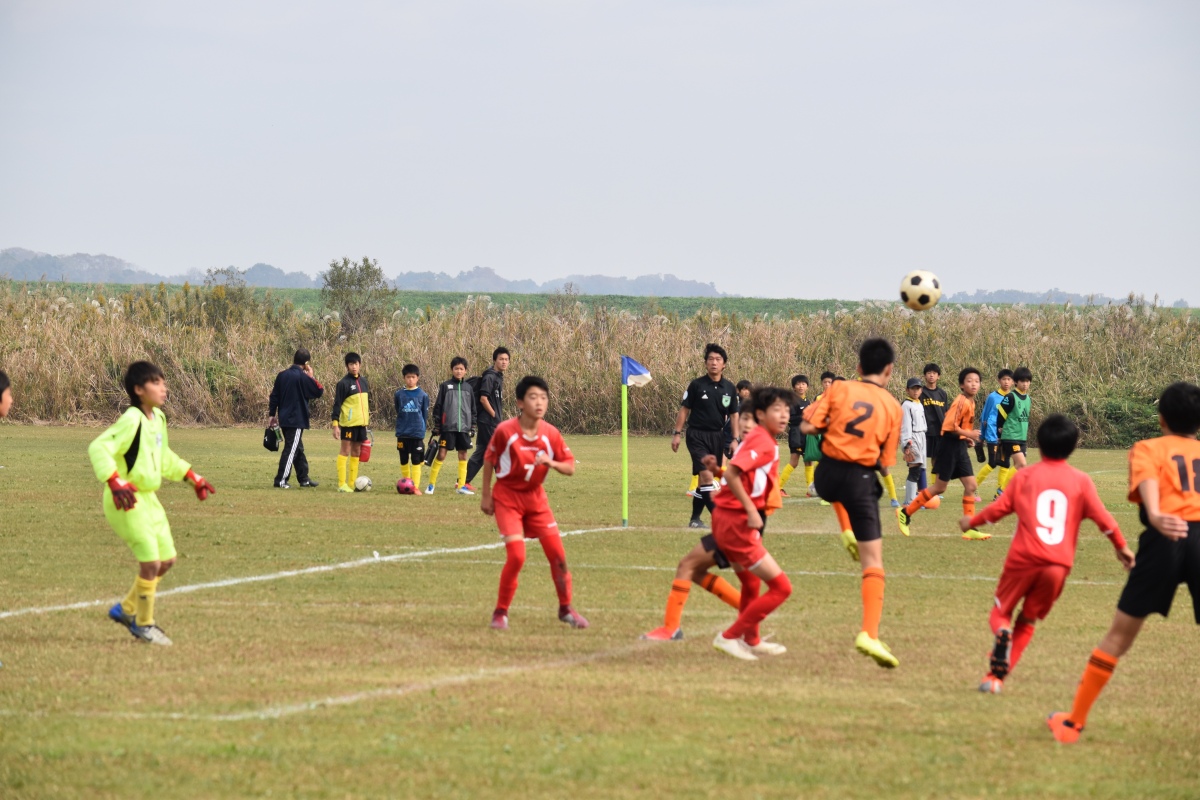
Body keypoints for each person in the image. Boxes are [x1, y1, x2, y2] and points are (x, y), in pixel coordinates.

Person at [1047, 382, 1200, 744]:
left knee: (1119, 635)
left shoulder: (1147, 448)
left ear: (1161, 419)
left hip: (1163, 540)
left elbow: (1148, 482)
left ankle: (1073, 724)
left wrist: (1157, 514)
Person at [958, 414, 1133, 694]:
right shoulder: (1082, 481)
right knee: (1027, 621)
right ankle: (995, 679)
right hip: (1058, 566)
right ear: (1073, 447)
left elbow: (998, 510)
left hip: (1023, 559)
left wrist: (971, 522)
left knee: (1001, 613)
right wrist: (1122, 548)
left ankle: (1002, 633)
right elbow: (1105, 520)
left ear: (1038, 443)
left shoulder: (1025, 476)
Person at [89, 361, 216, 646]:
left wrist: (192, 477)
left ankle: (126, 609)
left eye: (163, 382)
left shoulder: (157, 418)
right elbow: (99, 447)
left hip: (149, 500)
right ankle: (144, 624)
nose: (163, 388)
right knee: (151, 563)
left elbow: (163, 457)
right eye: (156, 383)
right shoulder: (132, 419)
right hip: (127, 499)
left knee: (167, 561)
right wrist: (114, 481)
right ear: (138, 389)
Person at [802, 338, 903, 668]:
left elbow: (808, 424)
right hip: (859, 480)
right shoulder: (893, 406)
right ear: (889, 370)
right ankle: (869, 634)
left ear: (858, 368)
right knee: (873, 561)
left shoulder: (839, 388)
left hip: (825, 476)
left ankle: (846, 530)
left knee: (838, 492)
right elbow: (885, 463)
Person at [641, 407, 764, 641]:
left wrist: (726, 490)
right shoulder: (750, 449)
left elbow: (747, 485)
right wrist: (719, 472)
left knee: (689, 567)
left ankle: (672, 628)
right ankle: (674, 627)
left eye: (752, 420)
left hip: (737, 527)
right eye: (744, 419)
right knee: (692, 568)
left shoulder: (758, 450)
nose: (746, 424)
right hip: (737, 525)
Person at [480, 375, 588, 630]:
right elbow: (489, 459)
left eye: (543, 397)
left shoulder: (551, 433)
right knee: (517, 556)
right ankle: (500, 612)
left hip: (536, 500)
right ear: (520, 402)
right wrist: (486, 495)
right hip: (507, 498)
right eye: (533, 397)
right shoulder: (505, 431)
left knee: (558, 556)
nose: (539, 402)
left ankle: (566, 609)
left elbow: (570, 467)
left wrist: (551, 462)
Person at [711, 386, 793, 661]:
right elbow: (733, 474)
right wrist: (751, 509)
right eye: (777, 410)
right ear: (760, 414)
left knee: (750, 582)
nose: (784, 415)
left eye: (786, 410)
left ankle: (752, 639)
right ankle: (729, 637)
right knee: (782, 588)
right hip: (737, 523)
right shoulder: (763, 441)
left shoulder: (762, 438)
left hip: (727, 519)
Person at [899, 367, 987, 540]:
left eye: (977, 381)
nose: (974, 384)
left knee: (971, 486)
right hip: (948, 447)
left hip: (959, 446)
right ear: (962, 385)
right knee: (939, 487)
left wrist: (965, 438)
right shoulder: (960, 401)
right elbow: (948, 426)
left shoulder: (971, 402)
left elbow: (959, 428)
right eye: (969, 381)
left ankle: (969, 527)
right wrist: (969, 434)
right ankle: (906, 513)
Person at [671, 344, 740, 528]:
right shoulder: (697, 385)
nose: (714, 363)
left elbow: (734, 415)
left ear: (724, 364)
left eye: (718, 360)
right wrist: (677, 434)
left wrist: (735, 439)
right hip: (696, 435)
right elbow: (684, 410)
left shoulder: (729, 388)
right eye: (710, 359)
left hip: (717, 437)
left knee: (704, 482)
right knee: (708, 478)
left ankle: (695, 519)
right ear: (705, 363)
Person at [268, 349, 324, 489]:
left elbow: (274, 396)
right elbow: (318, 391)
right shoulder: (303, 377)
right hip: (297, 419)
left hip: (284, 418)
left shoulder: (282, 375)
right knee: (291, 449)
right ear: (306, 363)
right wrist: (311, 376)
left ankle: (304, 479)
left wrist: (272, 415)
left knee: (297, 448)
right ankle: (280, 480)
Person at [464, 347, 510, 493]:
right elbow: (483, 399)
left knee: (482, 452)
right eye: (501, 359)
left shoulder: (498, 376)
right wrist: (494, 415)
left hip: (490, 421)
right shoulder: (490, 377)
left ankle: (463, 481)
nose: (504, 362)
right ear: (495, 360)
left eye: (506, 359)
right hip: (488, 421)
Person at [427, 356, 475, 495]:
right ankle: (431, 485)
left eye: (461, 369)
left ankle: (461, 487)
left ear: (465, 371)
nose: (459, 371)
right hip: (448, 427)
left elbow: (473, 409)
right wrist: (437, 425)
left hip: (464, 428)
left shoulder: (468, 388)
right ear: (452, 370)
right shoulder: (445, 386)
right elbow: (438, 406)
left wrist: (472, 426)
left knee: (463, 455)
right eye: (456, 368)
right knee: (441, 455)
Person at [331, 352, 371, 493]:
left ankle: (353, 484)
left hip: (361, 424)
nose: (354, 367)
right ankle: (342, 484)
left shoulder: (364, 382)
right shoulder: (343, 383)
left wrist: (366, 421)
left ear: (360, 365)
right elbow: (337, 405)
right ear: (347, 366)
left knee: (356, 452)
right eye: (351, 364)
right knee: (345, 451)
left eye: (356, 364)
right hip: (348, 425)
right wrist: (335, 425)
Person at [993, 367, 1033, 497]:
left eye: (1027, 381)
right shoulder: (1010, 397)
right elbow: (1001, 414)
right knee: (1022, 463)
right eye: (1022, 381)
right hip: (1010, 436)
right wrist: (999, 432)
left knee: (1019, 467)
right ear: (1016, 382)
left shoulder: (1028, 399)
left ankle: (1009, 494)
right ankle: (1002, 491)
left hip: (1021, 438)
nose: (1025, 384)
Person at [975, 369, 1014, 494]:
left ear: (1013, 382)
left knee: (1005, 464)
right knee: (992, 463)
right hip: (992, 434)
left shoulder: (1013, 397)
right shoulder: (992, 397)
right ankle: (972, 487)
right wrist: (982, 436)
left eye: (1009, 379)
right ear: (999, 381)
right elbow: (984, 417)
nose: (1006, 382)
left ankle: (1000, 492)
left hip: (1006, 435)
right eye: (1004, 379)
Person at [394, 364, 430, 488]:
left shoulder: (422, 395)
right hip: (402, 432)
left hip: (416, 432)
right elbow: (398, 410)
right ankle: (406, 484)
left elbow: (424, 414)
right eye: (408, 377)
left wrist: (422, 430)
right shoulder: (399, 394)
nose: (410, 380)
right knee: (403, 459)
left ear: (417, 378)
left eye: (413, 377)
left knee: (415, 460)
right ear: (404, 378)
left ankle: (415, 487)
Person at [778, 374, 810, 497]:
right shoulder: (791, 401)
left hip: (807, 435)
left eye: (803, 384)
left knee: (808, 461)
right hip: (796, 434)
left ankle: (810, 491)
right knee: (794, 461)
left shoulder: (807, 401)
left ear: (807, 386)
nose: (801, 386)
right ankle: (778, 487)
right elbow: (790, 419)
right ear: (794, 387)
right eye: (798, 384)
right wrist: (805, 416)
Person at [900, 377, 928, 506]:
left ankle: (920, 498)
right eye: (913, 389)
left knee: (921, 469)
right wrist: (907, 444)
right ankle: (909, 502)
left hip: (922, 437)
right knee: (914, 469)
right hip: (913, 438)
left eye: (918, 388)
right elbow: (905, 426)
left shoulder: (919, 403)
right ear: (907, 390)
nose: (915, 391)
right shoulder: (906, 405)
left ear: (921, 390)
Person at [919, 363, 948, 482]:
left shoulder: (942, 393)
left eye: (934, 373)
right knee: (920, 460)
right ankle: (920, 486)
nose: (931, 375)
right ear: (925, 376)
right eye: (929, 373)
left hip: (938, 431)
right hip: (924, 431)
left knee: (936, 460)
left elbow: (946, 412)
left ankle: (934, 486)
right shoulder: (920, 392)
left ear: (938, 376)